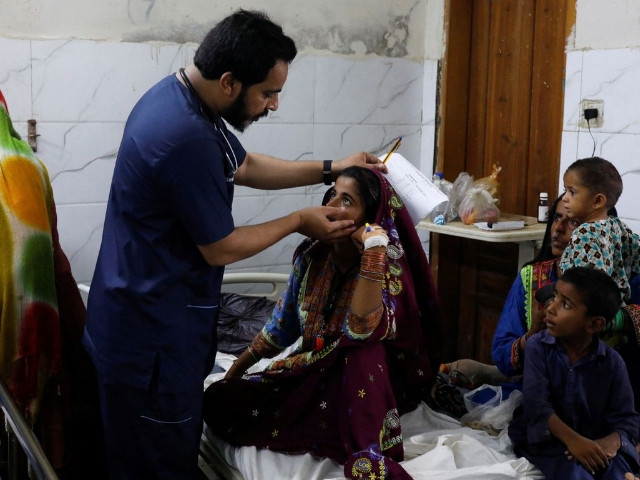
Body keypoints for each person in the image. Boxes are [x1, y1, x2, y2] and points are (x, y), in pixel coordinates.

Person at [83, 10, 386, 480]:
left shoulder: (181, 98)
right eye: (268, 93)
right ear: (229, 82)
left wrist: (331, 167)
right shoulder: (183, 136)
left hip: (147, 320)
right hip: (152, 341)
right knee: (155, 464)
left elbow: (243, 165)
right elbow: (220, 248)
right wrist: (299, 221)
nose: (274, 105)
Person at [203, 167, 441, 480]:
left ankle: (366, 453)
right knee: (218, 401)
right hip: (311, 376)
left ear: (368, 217)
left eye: (346, 200)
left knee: (360, 353)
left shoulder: (385, 265)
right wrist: (235, 373)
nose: (331, 206)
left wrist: (372, 253)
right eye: (331, 195)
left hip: (363, 386)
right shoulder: (312, 257)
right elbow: (280, 327)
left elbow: (359, 329)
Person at [0, 90, 105, 478]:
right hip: (34, 332)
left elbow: (35, 273)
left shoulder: (22, 171)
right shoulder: (29, 165)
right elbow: (50, 265)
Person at [508, 267, 640, 479]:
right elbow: (537, 407)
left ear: (594, 324)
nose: (550, 308)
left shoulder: (612, 363)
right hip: (550, 441)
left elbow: (627, 419)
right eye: (554, 297)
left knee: (617, 470)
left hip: (596, 439)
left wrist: (609, 443)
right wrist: (575, 442)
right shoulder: (538, 348)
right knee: (575, 472)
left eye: (566, 304)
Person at [491, 193, 583, 378]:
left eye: (573, 222)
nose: (558, 229)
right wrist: (533, 335)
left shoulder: (619, 283)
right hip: (535, 391)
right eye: (556, 217)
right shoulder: (531, 278)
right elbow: (501, 354)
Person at [559, 156, 640, 303]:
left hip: (590, 312)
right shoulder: (618, 226)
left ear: (597, 201)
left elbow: (587, 287)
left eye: (572, 192)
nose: (564, 198)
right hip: (617, 308)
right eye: (565, 190)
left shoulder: (584, 234)